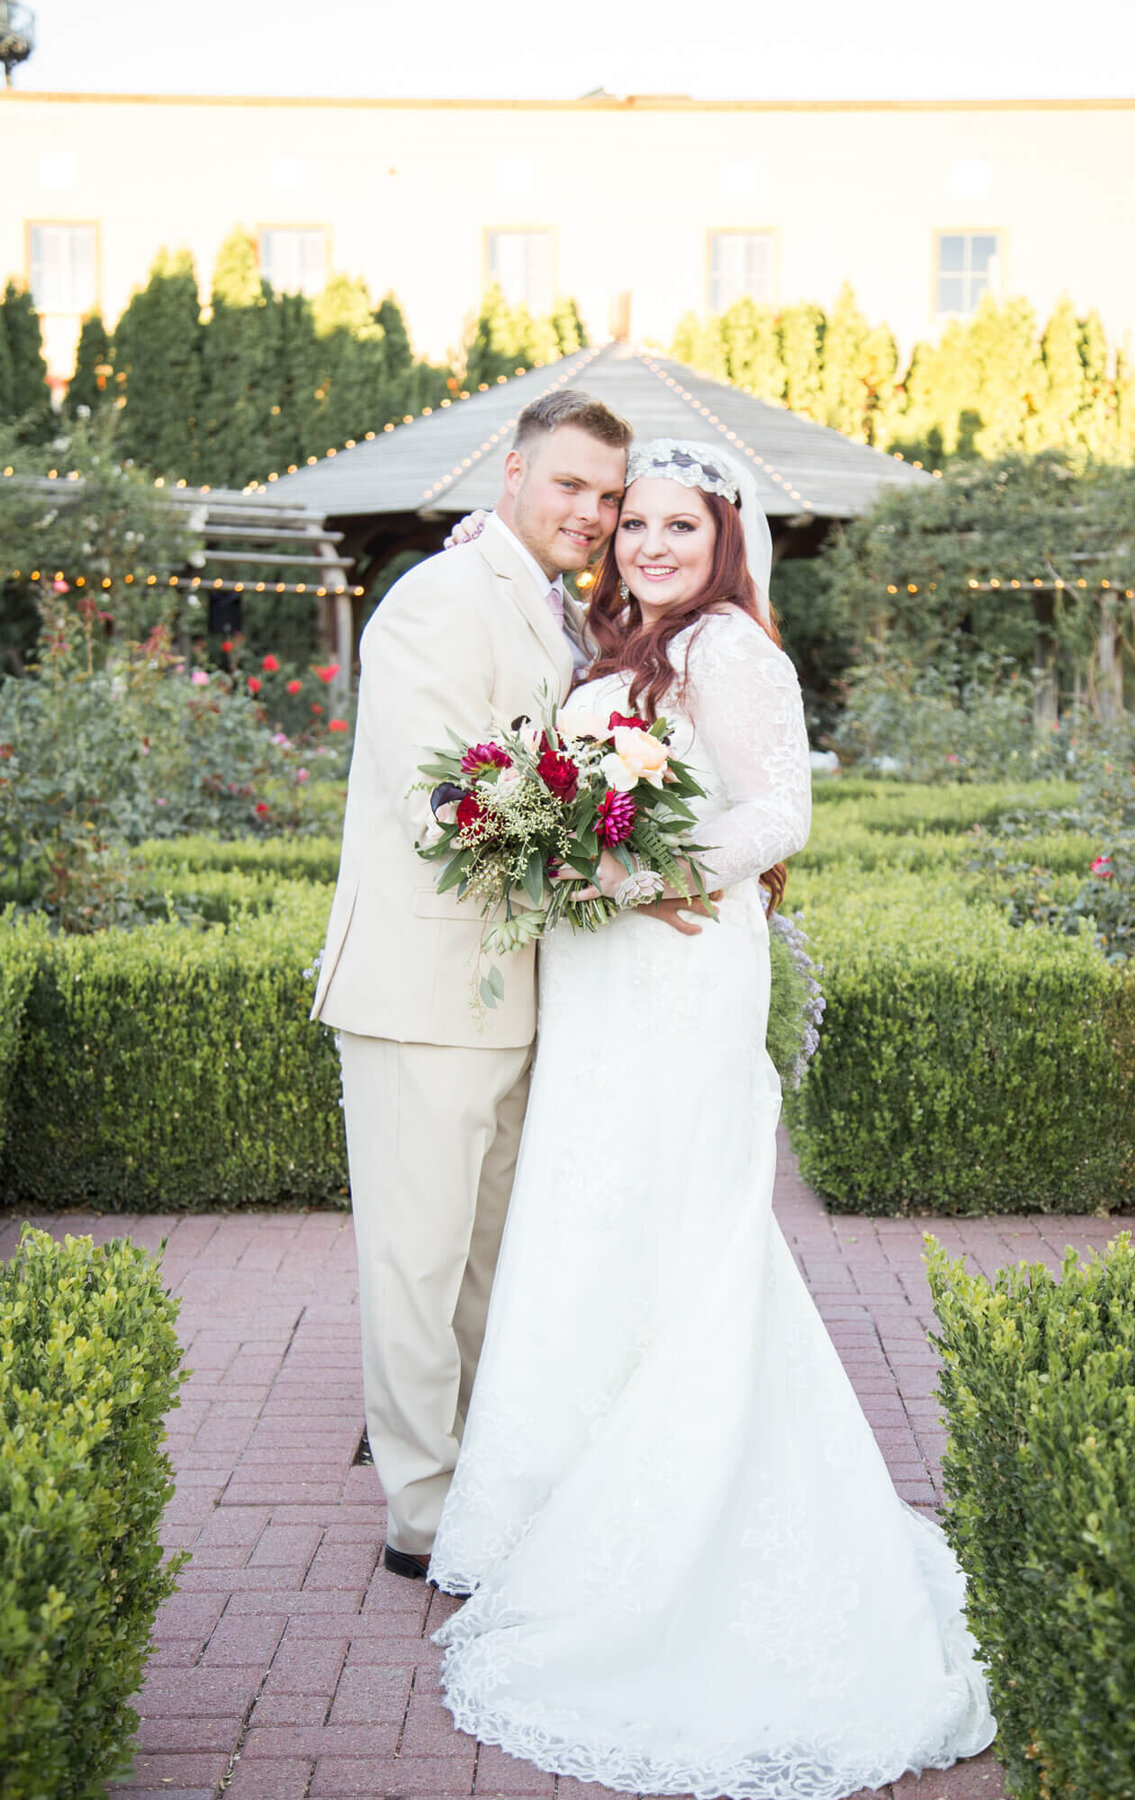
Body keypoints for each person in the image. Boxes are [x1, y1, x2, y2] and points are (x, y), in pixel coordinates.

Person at [427, 439, 996, 1799]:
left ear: (724, 537)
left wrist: (643, 868)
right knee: (587, 1208)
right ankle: (561, 1494)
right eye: (635, 527)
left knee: (670, 1214)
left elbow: (780, 807)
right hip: (603, 971)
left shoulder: (734, 651)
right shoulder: (615, 639)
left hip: (678, 963)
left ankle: (682, 1504)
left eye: (680, 527)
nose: (652, 546)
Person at [311, 392, 707, 1581]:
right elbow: (443, 799)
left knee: (487, 1261)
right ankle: (422, 1513)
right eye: (572, 487)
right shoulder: (436, 599)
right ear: (514, 474)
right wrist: (624, 863)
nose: (592, 514)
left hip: (520, 989)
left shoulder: (556, 610)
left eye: (608, 495)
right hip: (421, 985)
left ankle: (479, 1473)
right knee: (417, 1261)